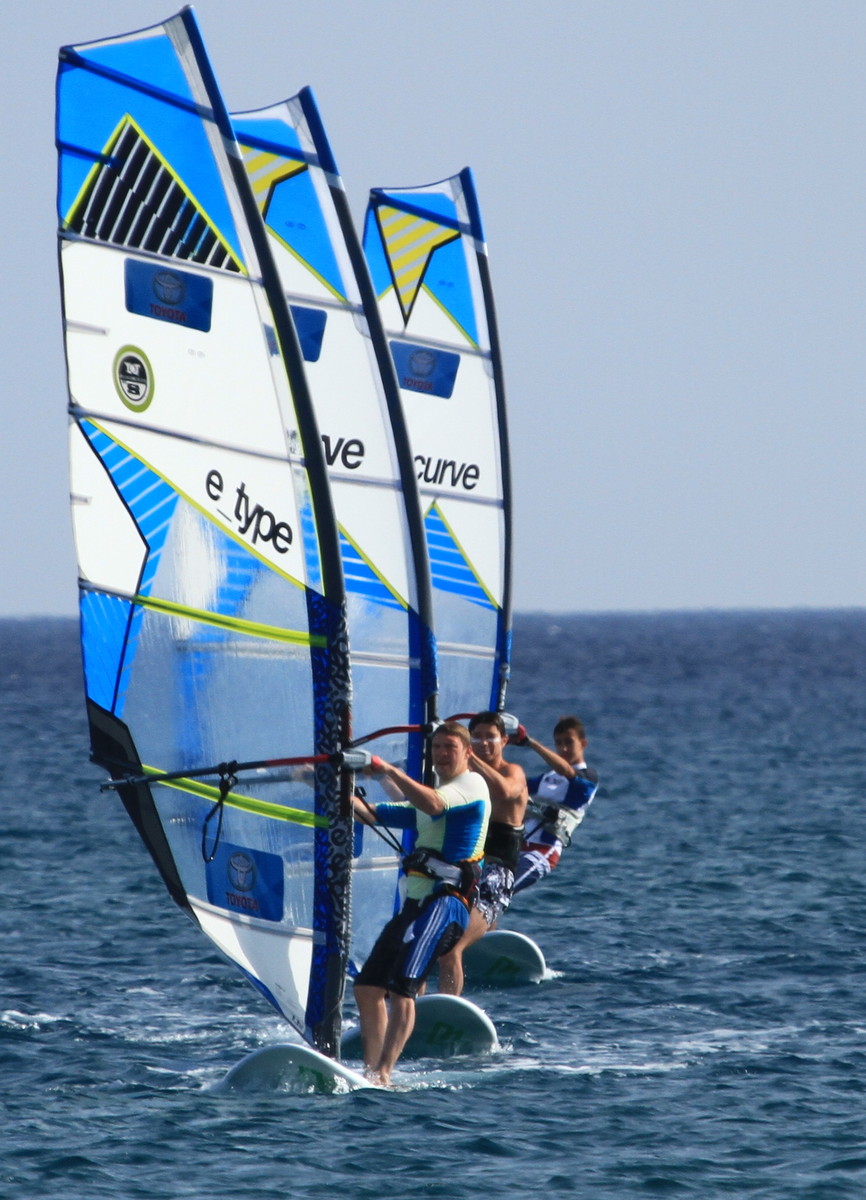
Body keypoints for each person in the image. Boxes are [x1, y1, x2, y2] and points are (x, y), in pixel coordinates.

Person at [352, 721, 490, 1085]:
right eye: (437, 748)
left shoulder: (471, 785)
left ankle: (384, 1073)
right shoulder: (430, 798)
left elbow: (433, 804)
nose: (442, 754)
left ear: (467, 753)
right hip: (415, 907)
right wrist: (325, 783)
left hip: (447, 903)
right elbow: (370, 812)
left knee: (403, 988)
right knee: (367, 988)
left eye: (450, 748)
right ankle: (370, 1071)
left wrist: (389, 770)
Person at [438, 711, 528, 996]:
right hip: (465, 869)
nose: (484, 743)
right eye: (476, 737)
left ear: (504, 741)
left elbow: (504, 792)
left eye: (491, 737)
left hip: (498, 872)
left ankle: (448, 1007)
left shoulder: (513, 772)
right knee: (433, 941)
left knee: (452, 946)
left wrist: (470, 756)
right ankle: (415, 1004)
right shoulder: (465, 777)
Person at [511, 715, 599, 895]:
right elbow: (509, 787)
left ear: (583, 743)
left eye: (569, 742)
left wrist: (530, 743)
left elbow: (566, 770)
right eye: (558, 743)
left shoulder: (588, 778)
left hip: (543, 851)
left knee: (500, 893)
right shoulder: (546, 778)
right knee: (484, 891)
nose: (563, 748)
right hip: (516, 846)